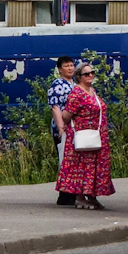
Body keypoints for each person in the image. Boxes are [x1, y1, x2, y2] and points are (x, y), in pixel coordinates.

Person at [55, 64, 116, 210]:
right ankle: (81, 197)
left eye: (92, 73)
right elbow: (66, 115)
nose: (90, 76)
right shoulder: (77, 93)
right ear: (79, 77)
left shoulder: (92, 91)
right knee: (83, 166)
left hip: (96, 135)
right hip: (83, 135)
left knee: (94, 165)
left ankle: (92, 196)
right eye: (86, 74)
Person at [48, 56, 76, 206]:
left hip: (75, 128)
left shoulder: (74, 84)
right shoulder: (58, 85)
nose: (70, 68)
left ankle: (72, 192)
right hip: (63, 128)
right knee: (64, 160)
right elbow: (55, 106)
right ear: (60, 69)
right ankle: (65, 194)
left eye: (72, 65)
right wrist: (60, 127)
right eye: (66, 66)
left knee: (73, 161)